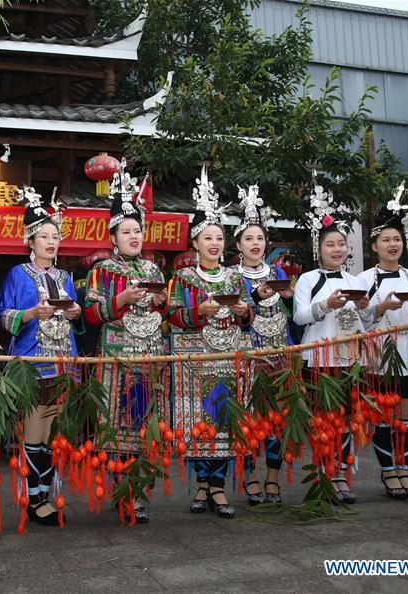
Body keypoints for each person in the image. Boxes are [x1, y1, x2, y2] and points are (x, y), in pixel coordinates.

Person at [83, 165, 167, 523]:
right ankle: (122, 492)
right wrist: (120, 301)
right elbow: (89, 315)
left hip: (150, 358)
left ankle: (136, 490)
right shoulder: (100, 271)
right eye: (126, 231)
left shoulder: (154, 271)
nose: (133, 236)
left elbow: (166, 312)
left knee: (143, 424)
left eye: (137, 230)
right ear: (113, 236)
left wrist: (162, 302)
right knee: (117, 429)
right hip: (117, 359)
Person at [168, 166, 251, 519]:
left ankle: (218, 487)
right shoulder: (183, 278)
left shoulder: (235, 276)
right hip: (195, 358)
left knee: (223, 418)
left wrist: (246, 310)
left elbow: (247, 319)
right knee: (198, 420)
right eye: (208, 238)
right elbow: (171, 316)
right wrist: (197, 310)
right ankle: (201, 483)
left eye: (219, 238)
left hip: (229, 355)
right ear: (195, 243)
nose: (215, 244)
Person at [0, 186, 82, 526]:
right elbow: (3, 316)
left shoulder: (65, 277)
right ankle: (35, 499)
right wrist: (31, 314)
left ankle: (46, 493)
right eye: (43, 236)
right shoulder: (18, 274)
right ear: (30, 241)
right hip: (32, 363)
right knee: (34, 432)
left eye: (55, 236)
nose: (51, 241)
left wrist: (74, 312)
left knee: (53, 434)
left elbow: (78, 317)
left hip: (63, 362)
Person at [292, 175, 368, 504]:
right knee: (324, 419)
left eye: (341, 244)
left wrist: (368, 308)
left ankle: (341, 474)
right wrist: (325, 305)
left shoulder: (357, 279)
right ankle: (324, 473)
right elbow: (299, 317)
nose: (337, 249)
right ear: (318, 248)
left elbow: (365, 321)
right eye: (330, 244)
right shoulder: (308, 279)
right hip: (320, 361)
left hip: (351, 360)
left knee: (348, 420)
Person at [357, 182, 408, 500]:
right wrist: (381, 307)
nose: (392, 244)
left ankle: (405, 469)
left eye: (396, 239)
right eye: (386, 239)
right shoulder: (363, 280)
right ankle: (388, 472)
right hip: (379, 354)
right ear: (375, 246)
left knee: (406, 415)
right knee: (383, 415)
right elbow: (360, 321)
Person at [233, 184, 294, 505]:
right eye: (249, 239)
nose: (256, 244)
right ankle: (250, 476)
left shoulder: (279, 272)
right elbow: (233, 314)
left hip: (280, 355)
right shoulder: (231, 276)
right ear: (239, 245)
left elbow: (297, 316)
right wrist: (255, 297)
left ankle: (273, 476)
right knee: (248, 417)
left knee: (277, 418)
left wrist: (290, 299)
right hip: (248, 357)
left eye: (260, 238)